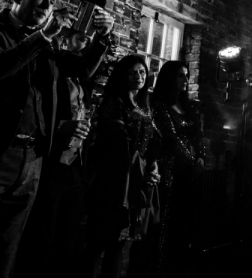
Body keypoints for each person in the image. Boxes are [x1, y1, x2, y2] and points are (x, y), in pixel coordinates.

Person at [16, 18, 115, 278]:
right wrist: (61, 126)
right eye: (82, 38)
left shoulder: (81, 76)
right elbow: (32, 112)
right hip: (50, 163)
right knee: (41, 240)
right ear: (64, 38)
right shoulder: (48, 67)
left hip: (77, 167)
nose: (86, 43)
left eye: (88, 40)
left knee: (68, 242)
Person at [0, 0, 80, 278]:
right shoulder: (4, 32)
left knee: (8, 246)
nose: (47, 6)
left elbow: (73, 74)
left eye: (51, 2)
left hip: (32, 159)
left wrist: (102, 39)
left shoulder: (44, 42)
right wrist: (43, 36)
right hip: (3, 152)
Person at [82, 55, 161, 278]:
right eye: (133, 72)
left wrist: (152, 166)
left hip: (137, 179)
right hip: (115, 179)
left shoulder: (144, 105)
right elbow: (118, 143)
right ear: (123, 75)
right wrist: (141, 170)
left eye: (142, 72)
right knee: (99, 241)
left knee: (120, 241)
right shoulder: (113, 103)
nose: (139, 76)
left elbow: (154, 142)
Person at [147, 60, 206, 278]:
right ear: (170, 78)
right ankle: (157, 269)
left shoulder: (188, 106)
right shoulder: (159, 104)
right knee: (164, 222)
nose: (186, 80)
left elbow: (198, 135)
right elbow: (169, 138)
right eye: (181, 75)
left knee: (184, 222)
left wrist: (201, 158)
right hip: (168, 169)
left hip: (189, 171)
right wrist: (192, 160)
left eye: (187, 75)